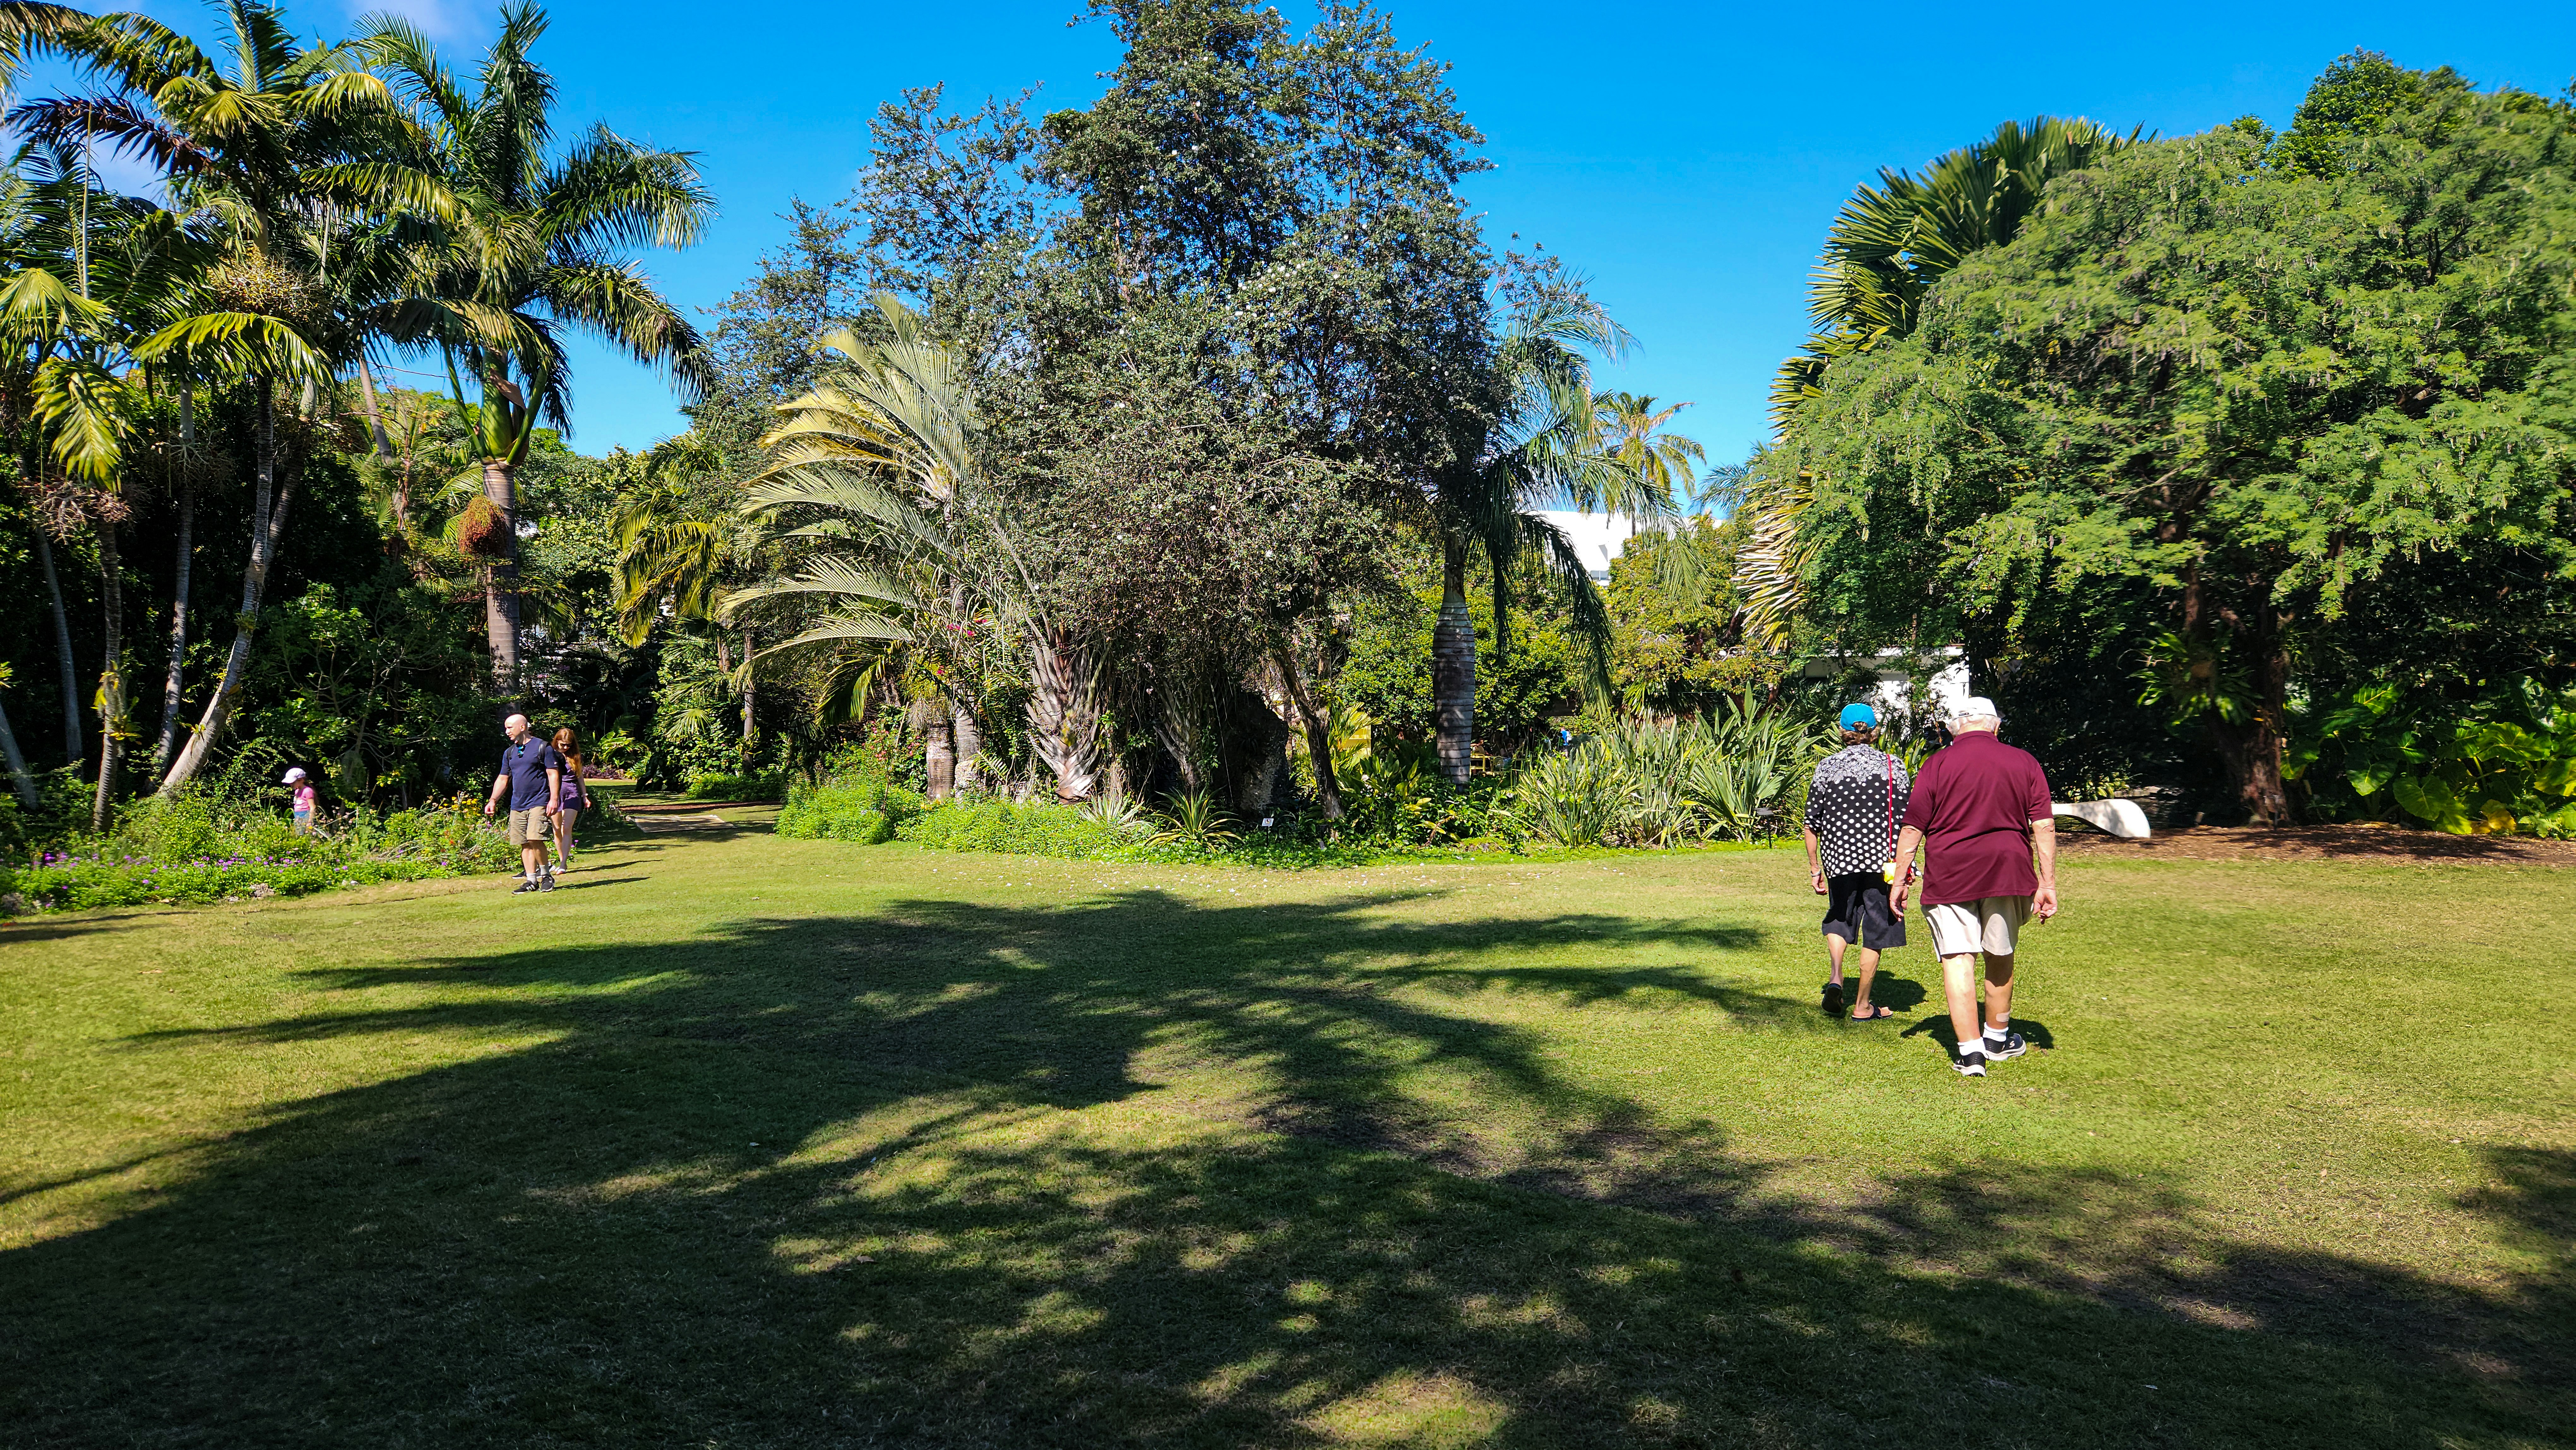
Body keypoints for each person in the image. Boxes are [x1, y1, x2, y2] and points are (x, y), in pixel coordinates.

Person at [1890, 697, 2059, 1078]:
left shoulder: (1936, 764)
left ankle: (1971, 1055)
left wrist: (1900, 879)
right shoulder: (2024, 762)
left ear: (1955, 729)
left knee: (1958, 958)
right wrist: (2047, 882)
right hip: (2008, 870)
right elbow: (2044, 825)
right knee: (2000, 953)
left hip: (1951, 872)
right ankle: (1997, 1040)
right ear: (1996, 726)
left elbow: (1913, 827)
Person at [1801, 703, 1910, 1020]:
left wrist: (1814, 868)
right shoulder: (1894, 765)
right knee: (1877, 927)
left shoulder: (1827, 767)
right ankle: (1863, 1006)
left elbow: (1811, 823)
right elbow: (1908, 823)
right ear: (1875, 731)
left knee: (1839, 915)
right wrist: (1907, 868)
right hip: (1883, 862)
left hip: (1840, 859)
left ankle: (1836, 977)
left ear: (1842, 731)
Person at [482, 714, 564, 894]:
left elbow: (553, 774)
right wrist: (493, 800)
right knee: (524, 843)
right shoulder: (510, 752)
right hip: (518, 804)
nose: (507, 731)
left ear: (522, 727)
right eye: (506, 728)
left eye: (510, 727)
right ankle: (531, 880)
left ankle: (546, 875)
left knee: (536, 838)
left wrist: (554, 799)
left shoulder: (543, 747)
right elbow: (503, 778)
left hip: (539, 801)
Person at [549, 726, 593, 873]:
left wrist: (585, 795)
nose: (565, 748)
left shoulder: (575, 756)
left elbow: (580, 777)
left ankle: (563, 863)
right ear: (557, 741)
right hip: (555, 793)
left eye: (568, 745)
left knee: (566, 827)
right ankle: (562, 858)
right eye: (563, 745)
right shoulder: (551, 754)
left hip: (572, 792)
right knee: (557, 830)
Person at [283, 767, 318, 834]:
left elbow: (313, 807)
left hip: (306, 816)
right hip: (298, 816)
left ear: (301, 780)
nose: (291, 785)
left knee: (307, 836)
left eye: (293, 782)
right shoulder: (297, 791)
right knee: (299, 835)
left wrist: (310, 821)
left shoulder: (308, 791)